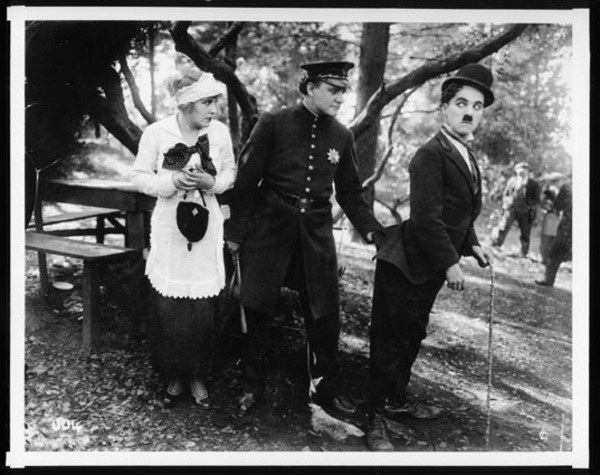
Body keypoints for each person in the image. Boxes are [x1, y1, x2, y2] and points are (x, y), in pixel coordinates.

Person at [225, 61, 384, 417]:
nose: (341, 97)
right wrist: (236, 232)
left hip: (315, 234)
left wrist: (373, 230)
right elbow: (246, 183)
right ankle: (252, 384)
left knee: (325, 313)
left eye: (344, 90)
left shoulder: (342, 136)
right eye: (333, 89)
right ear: (311, 87)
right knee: (256, 307)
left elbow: (350, 193)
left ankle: (324, 392)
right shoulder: (273, 122)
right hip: (270, 229)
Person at [365, 63, 494, 451]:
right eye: (460, 103)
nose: (469, 112)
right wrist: (450, 262)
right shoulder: (429, 154)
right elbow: (426, 218)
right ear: (444, 108)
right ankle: (372, 418)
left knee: (412, 334)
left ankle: (395, 399)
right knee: (390, 339)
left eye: (477, 106)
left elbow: (459, 213)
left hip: (427, 269)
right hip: (405, 263)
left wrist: (473, 244)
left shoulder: (466, 156)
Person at [131, 69, 236, 406]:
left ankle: (198, 373)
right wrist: (171, 183)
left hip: (207, 230)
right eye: (207, 102)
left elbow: (231, 173)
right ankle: (172, 373)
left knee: (202, 306)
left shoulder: (218, 133)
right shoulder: (156, 133)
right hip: (169, 229)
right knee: (170, 305)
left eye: (215, 102)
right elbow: (140, 177)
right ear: (187, 104)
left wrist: (212, 183)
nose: (214, 110)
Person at [491, 162, 540, 257]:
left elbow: (536, 199)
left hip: (525, 211)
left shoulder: (533, 184)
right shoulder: (512, 181)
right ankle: (497, 245)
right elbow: (506, 193)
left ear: (527, 171)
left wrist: (531, 208)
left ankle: (523, 252)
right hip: (511, 208)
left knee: (525, 232)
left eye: (524, 171)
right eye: (519, 171)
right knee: (503, 226)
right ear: (516, 171)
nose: (521, 173)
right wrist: (506, 204)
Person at [535, 178, 572, 287]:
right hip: (569, 225)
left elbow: (557, 206)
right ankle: (548, 280)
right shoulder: (567, 186)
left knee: (555, 253)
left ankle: (548, 279)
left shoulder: (568, 186)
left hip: (567, 225)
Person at [538, 172, 564, 264]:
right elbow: (545, 202)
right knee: (547, 238)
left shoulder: (555, 189)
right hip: (551, 216)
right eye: (561, 180)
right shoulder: (551, 190)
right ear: (556, 181)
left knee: (550, 237)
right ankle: (544, 258)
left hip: (553, 216)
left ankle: (546, 257)